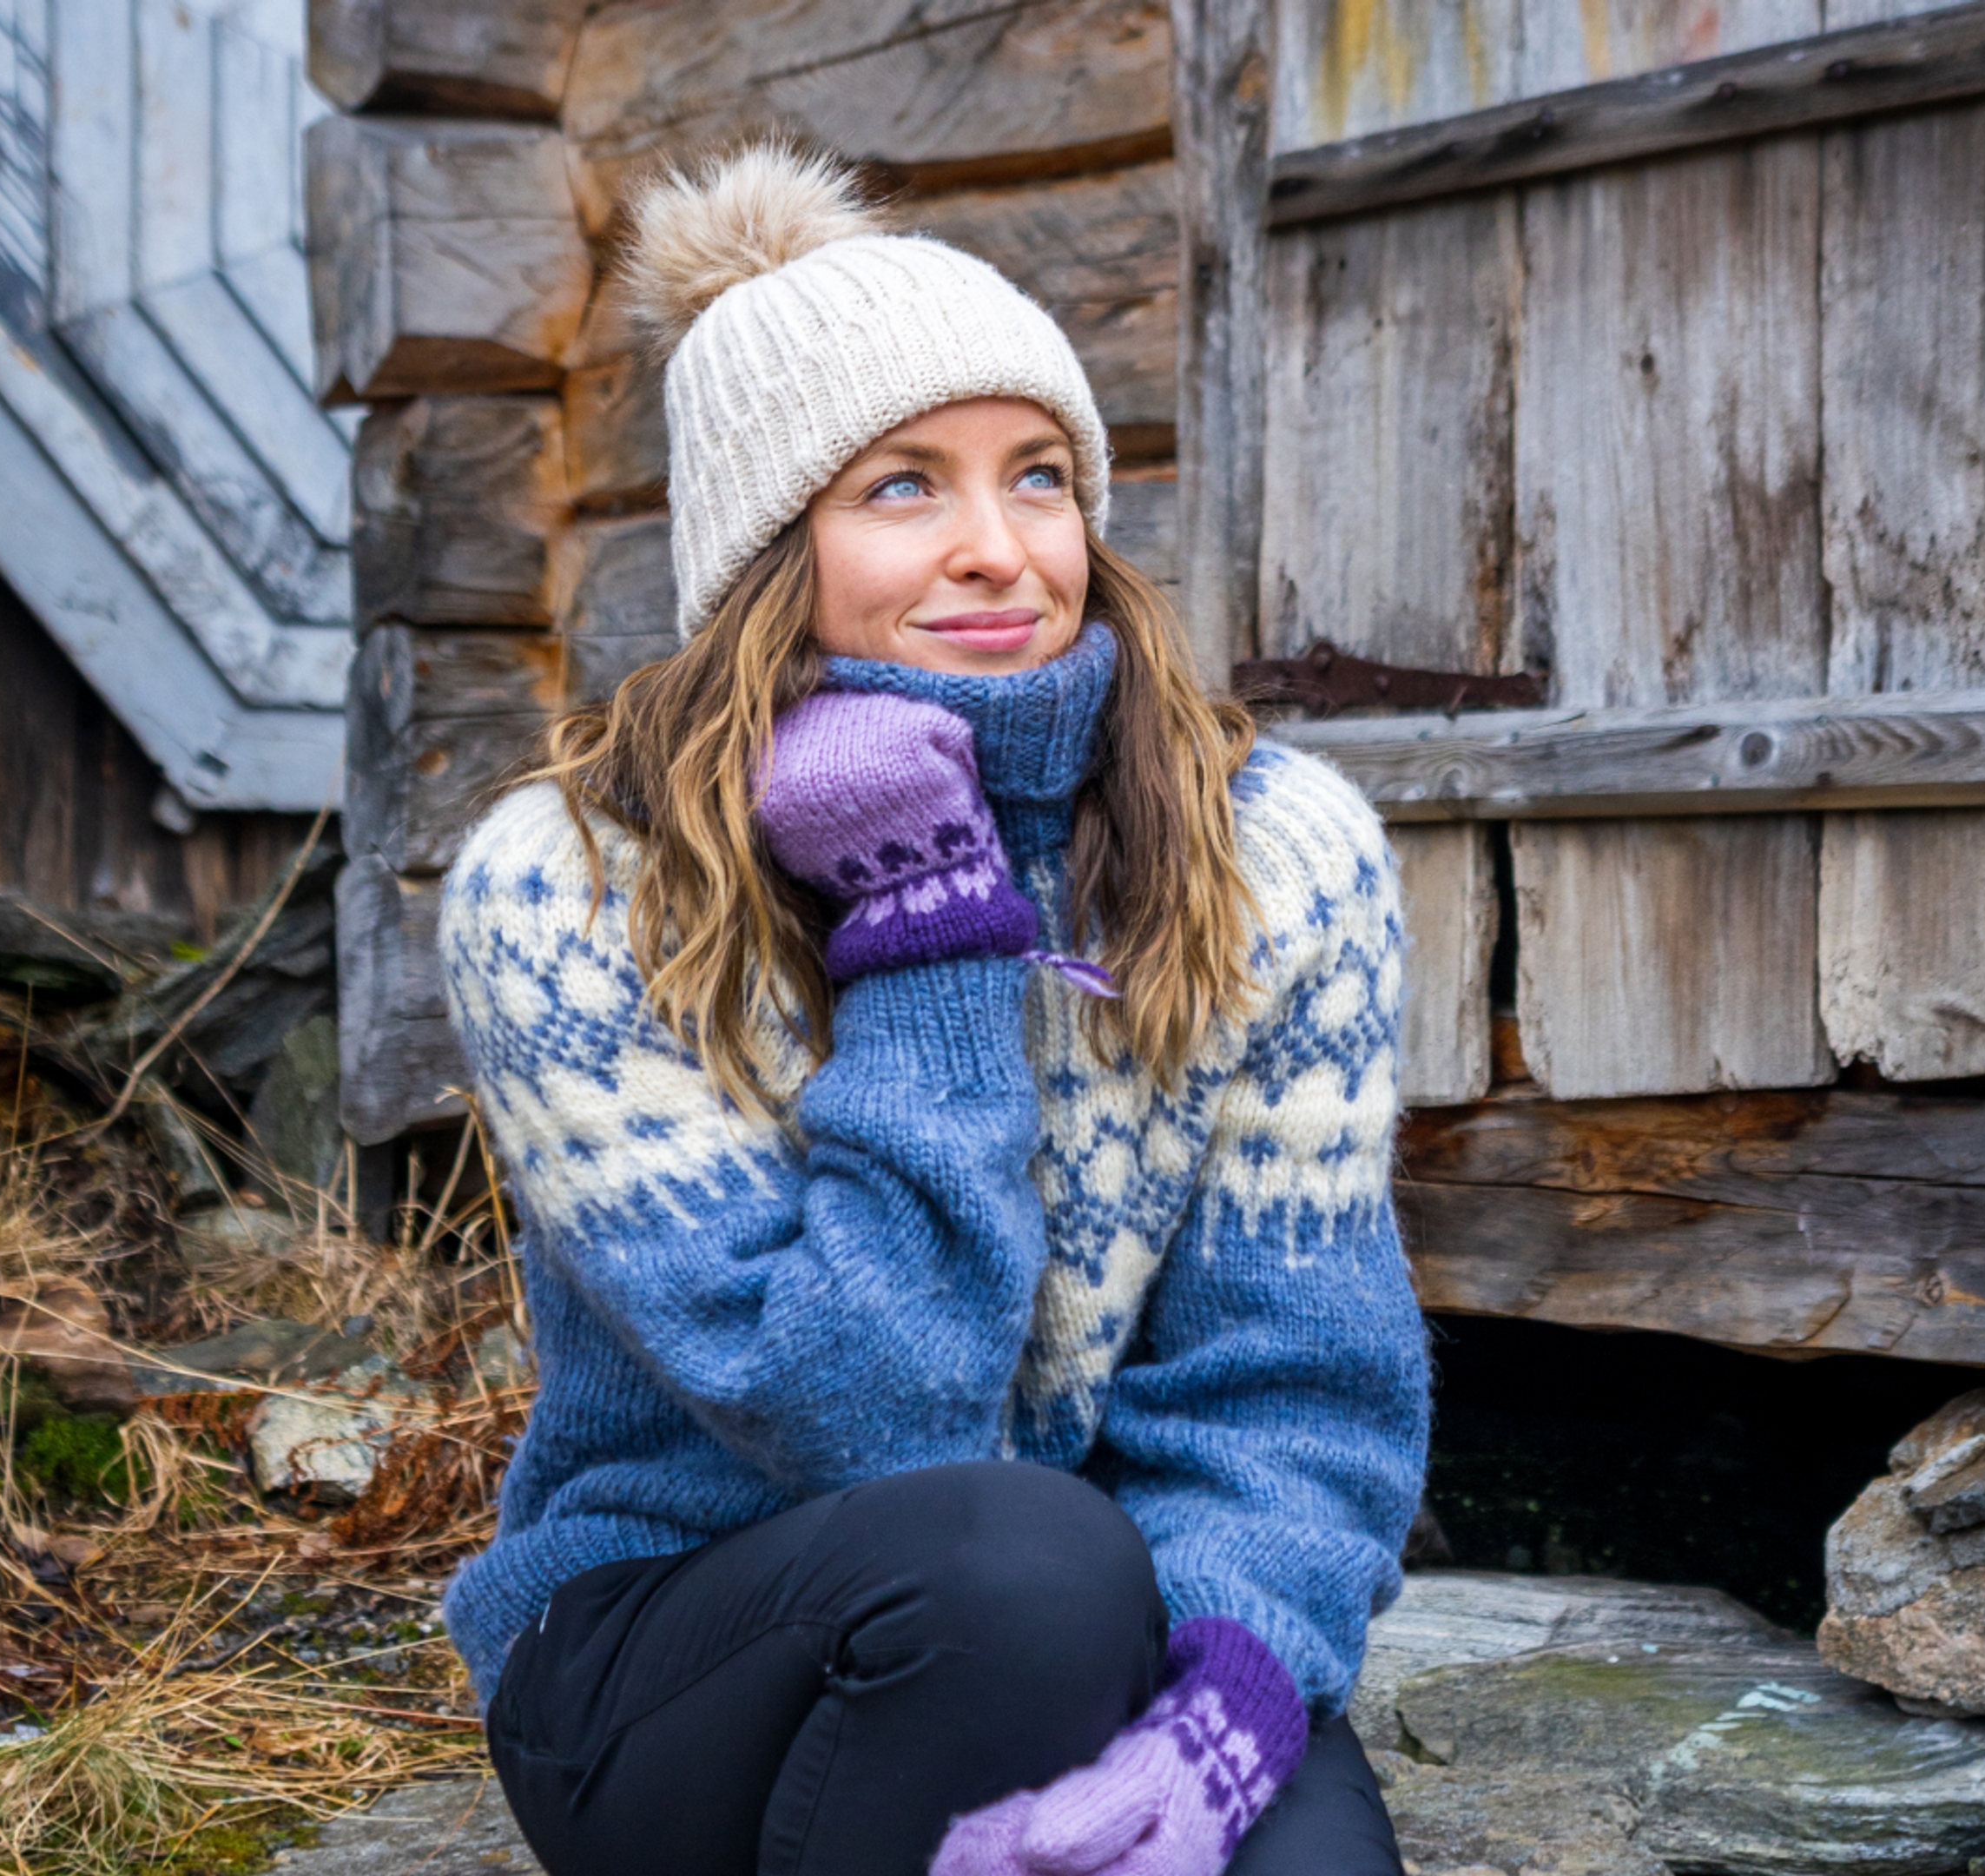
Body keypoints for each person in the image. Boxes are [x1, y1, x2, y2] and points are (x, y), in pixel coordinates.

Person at [434, 145, 1428, 1876]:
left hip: (1109, 1617)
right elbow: (861, 1423)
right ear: (767, 550)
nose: (999, 552)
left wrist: (1228, 1710)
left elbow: (1293, 1394)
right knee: (1016, 1569)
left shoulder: (1281, 858)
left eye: (1038, 478)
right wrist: (930, 929)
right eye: (903, 488)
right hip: (678, 1652)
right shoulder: (567, 891)